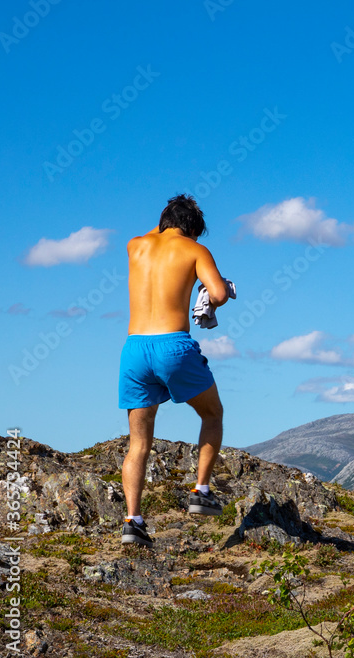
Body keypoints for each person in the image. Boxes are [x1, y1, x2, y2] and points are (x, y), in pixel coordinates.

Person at [118, 194, 229, 547]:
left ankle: (133, 522)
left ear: (165, 220)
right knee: (213, 414)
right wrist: (212, 293)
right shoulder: (194, 250)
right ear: (193, 230)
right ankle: (201, 491)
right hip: (172, 345)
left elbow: (160, 231)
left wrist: (169, 216)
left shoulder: (136, 246)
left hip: (134, 348)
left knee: (138, 443)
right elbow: (219, 294)